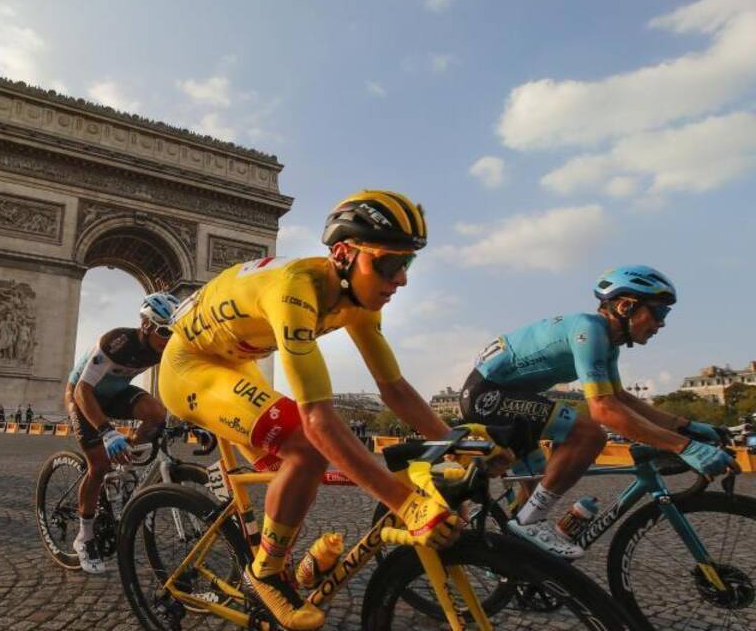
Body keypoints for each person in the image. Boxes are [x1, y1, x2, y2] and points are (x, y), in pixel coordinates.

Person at [160, 190, 463, 630]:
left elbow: (393, 389)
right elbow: (319, 420)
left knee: (296, 468)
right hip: (191, 367)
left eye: (407, 264)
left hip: (236, 360)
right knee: (306, 445)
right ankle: (264, 573)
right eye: (388, 264)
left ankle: (292, 570)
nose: (401, 279)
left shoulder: (358, 301)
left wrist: (454, 444)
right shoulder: (294, 291)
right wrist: (405, 502)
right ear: (343, 253)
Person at [459, 265, 739, 559]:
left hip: (509, 395)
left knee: (535, 489)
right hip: (487, 395)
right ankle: (526, 524)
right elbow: (603, 409)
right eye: (658, 313)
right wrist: (683, 446)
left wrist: (686, 426)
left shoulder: (607, 344)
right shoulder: (589, 330)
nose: (661, 324)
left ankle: (518, 567)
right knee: (588, 434)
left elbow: (621, 398)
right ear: (625, 306)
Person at [66, 292, 180, 574]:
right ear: (146, 326)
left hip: (116, 393)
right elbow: (83, 389)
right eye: (165, 332)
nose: (170, 340)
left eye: (174, 332)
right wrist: (107, 431)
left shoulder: (166, 346)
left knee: (157, 413)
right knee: (99, 465)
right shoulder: (116, 342)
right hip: (83, 395)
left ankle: (126, 455)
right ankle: (85, 535)